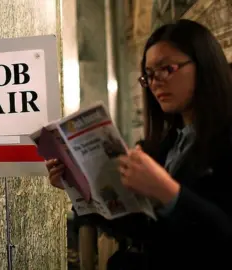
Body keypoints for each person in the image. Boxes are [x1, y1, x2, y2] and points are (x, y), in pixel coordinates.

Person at [47, 19, 232, 269]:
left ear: (204, 65)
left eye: (167, 69)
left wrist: (166, 191)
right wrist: (81, 188)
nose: (156, 82)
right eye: (149, 75)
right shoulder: (169, 143)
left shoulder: (224, 138)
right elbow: (147, 230)